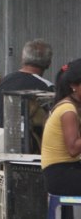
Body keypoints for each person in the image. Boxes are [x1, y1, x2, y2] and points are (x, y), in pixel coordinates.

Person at [41, 59, 81, 197]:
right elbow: (73, 149)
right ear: (74, 86)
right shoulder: (68, 110)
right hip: (60, 174)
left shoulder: (74, 105)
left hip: (71, 168)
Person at [0, 39, 54, 126]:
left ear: (23, 59)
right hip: (34, 139)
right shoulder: (48, 87)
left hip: (5, 136)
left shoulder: (5, 80)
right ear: (48, 63)